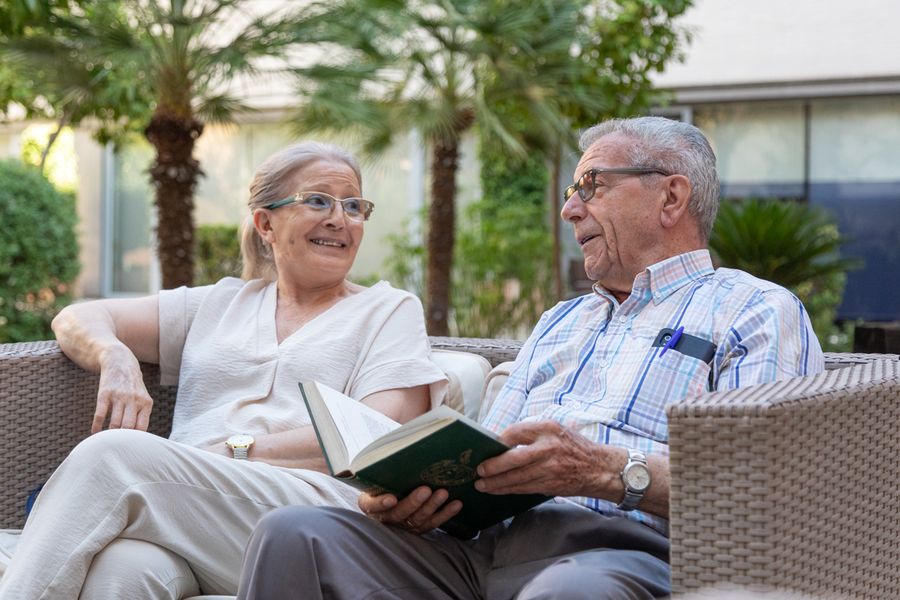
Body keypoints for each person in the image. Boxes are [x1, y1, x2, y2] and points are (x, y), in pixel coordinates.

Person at [234, 117, 825, 600]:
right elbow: (489, 453)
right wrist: (421, 495)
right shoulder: (561, 321)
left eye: (591, 186)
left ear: (671, 196)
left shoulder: (754, 310)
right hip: (480, 548)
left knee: (568, 592)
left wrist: (606, 471)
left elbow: (770, 485)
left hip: (622, 550)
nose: (571, 210)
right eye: (571, 193)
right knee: (295, 533)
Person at [0, 142, 447, 599]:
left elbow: (376, 435)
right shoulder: (220, 303)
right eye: (318, 200)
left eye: (353, 206)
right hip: (192, 515)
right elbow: (76, 317)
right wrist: (114, 355)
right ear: (265, 224)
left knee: (110, 456)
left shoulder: (388, 310)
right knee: (122, 571)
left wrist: (234, 452)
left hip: (310, 516)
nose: (340, 218)